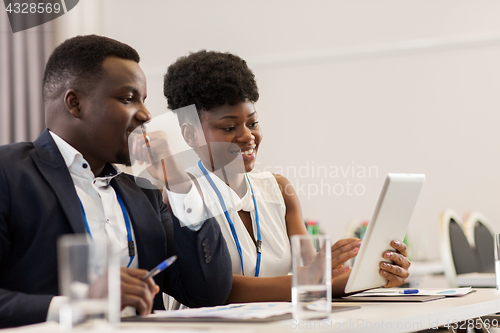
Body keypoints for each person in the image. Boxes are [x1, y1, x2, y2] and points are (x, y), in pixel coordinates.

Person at [0, 36, 232, 328]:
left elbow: (208, 292)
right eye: (128, 98)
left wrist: (180, 184)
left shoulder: (142, 193)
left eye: (143, 100)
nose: (146, 114)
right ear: (75, 103)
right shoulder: (9, 172)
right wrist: (80, 305)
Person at [162, 50, 411, 303]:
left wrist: (375, 274)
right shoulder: (179, 196)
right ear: (191, 135)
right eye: (229, 127)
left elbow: (313, 281)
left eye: (253, 123)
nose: (248, 136)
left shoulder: (279, 190)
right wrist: (320, 278)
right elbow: (216, 289)